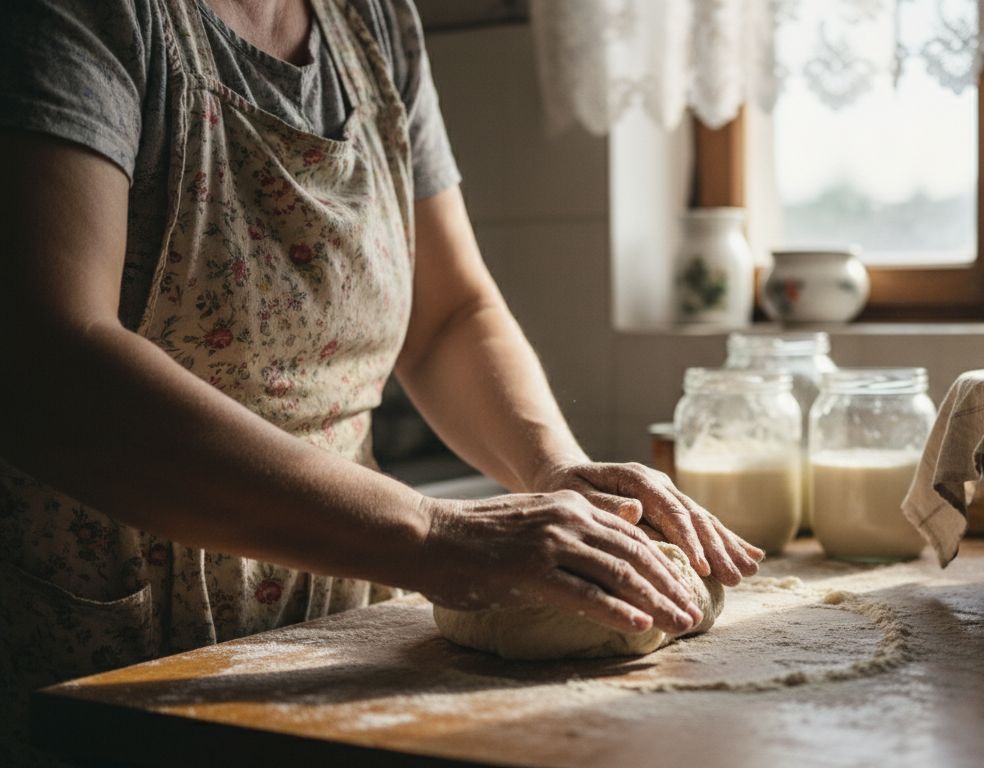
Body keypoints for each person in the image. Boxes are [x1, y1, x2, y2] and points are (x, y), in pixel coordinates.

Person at [0, 0, 763, 758]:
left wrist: (553, 469)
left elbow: (449, 314)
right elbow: (48, 361)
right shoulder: (82, 14)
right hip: (116, 624)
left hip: (338, 615)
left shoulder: (373, 19)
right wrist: (432, 534)